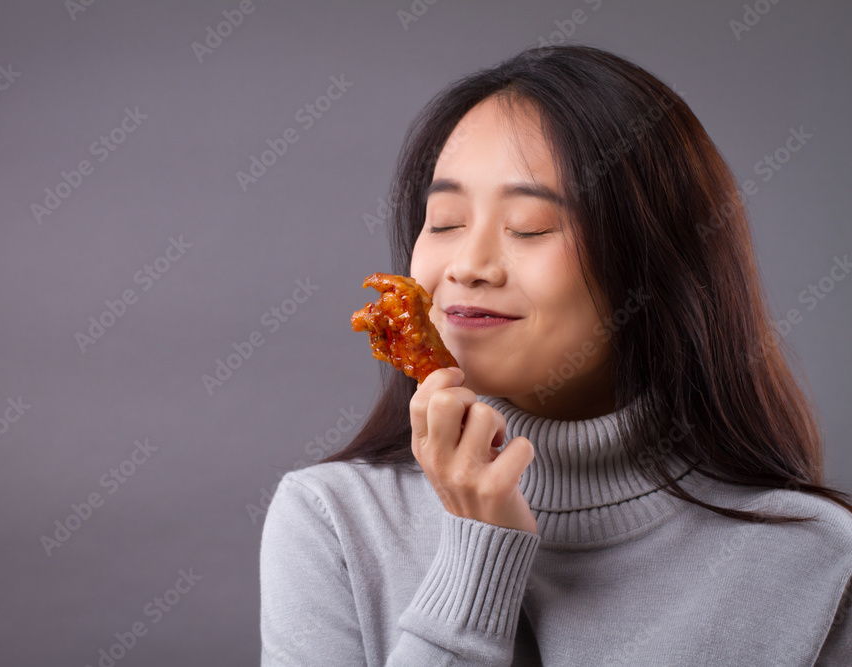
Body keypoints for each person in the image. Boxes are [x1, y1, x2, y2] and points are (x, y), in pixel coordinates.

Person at [259, 43, 852, 665]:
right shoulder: (334, 521)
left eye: (531, 227)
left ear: (653, 266)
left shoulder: (813, 557)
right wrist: (478, 551)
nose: (468, 266)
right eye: (444, 220)